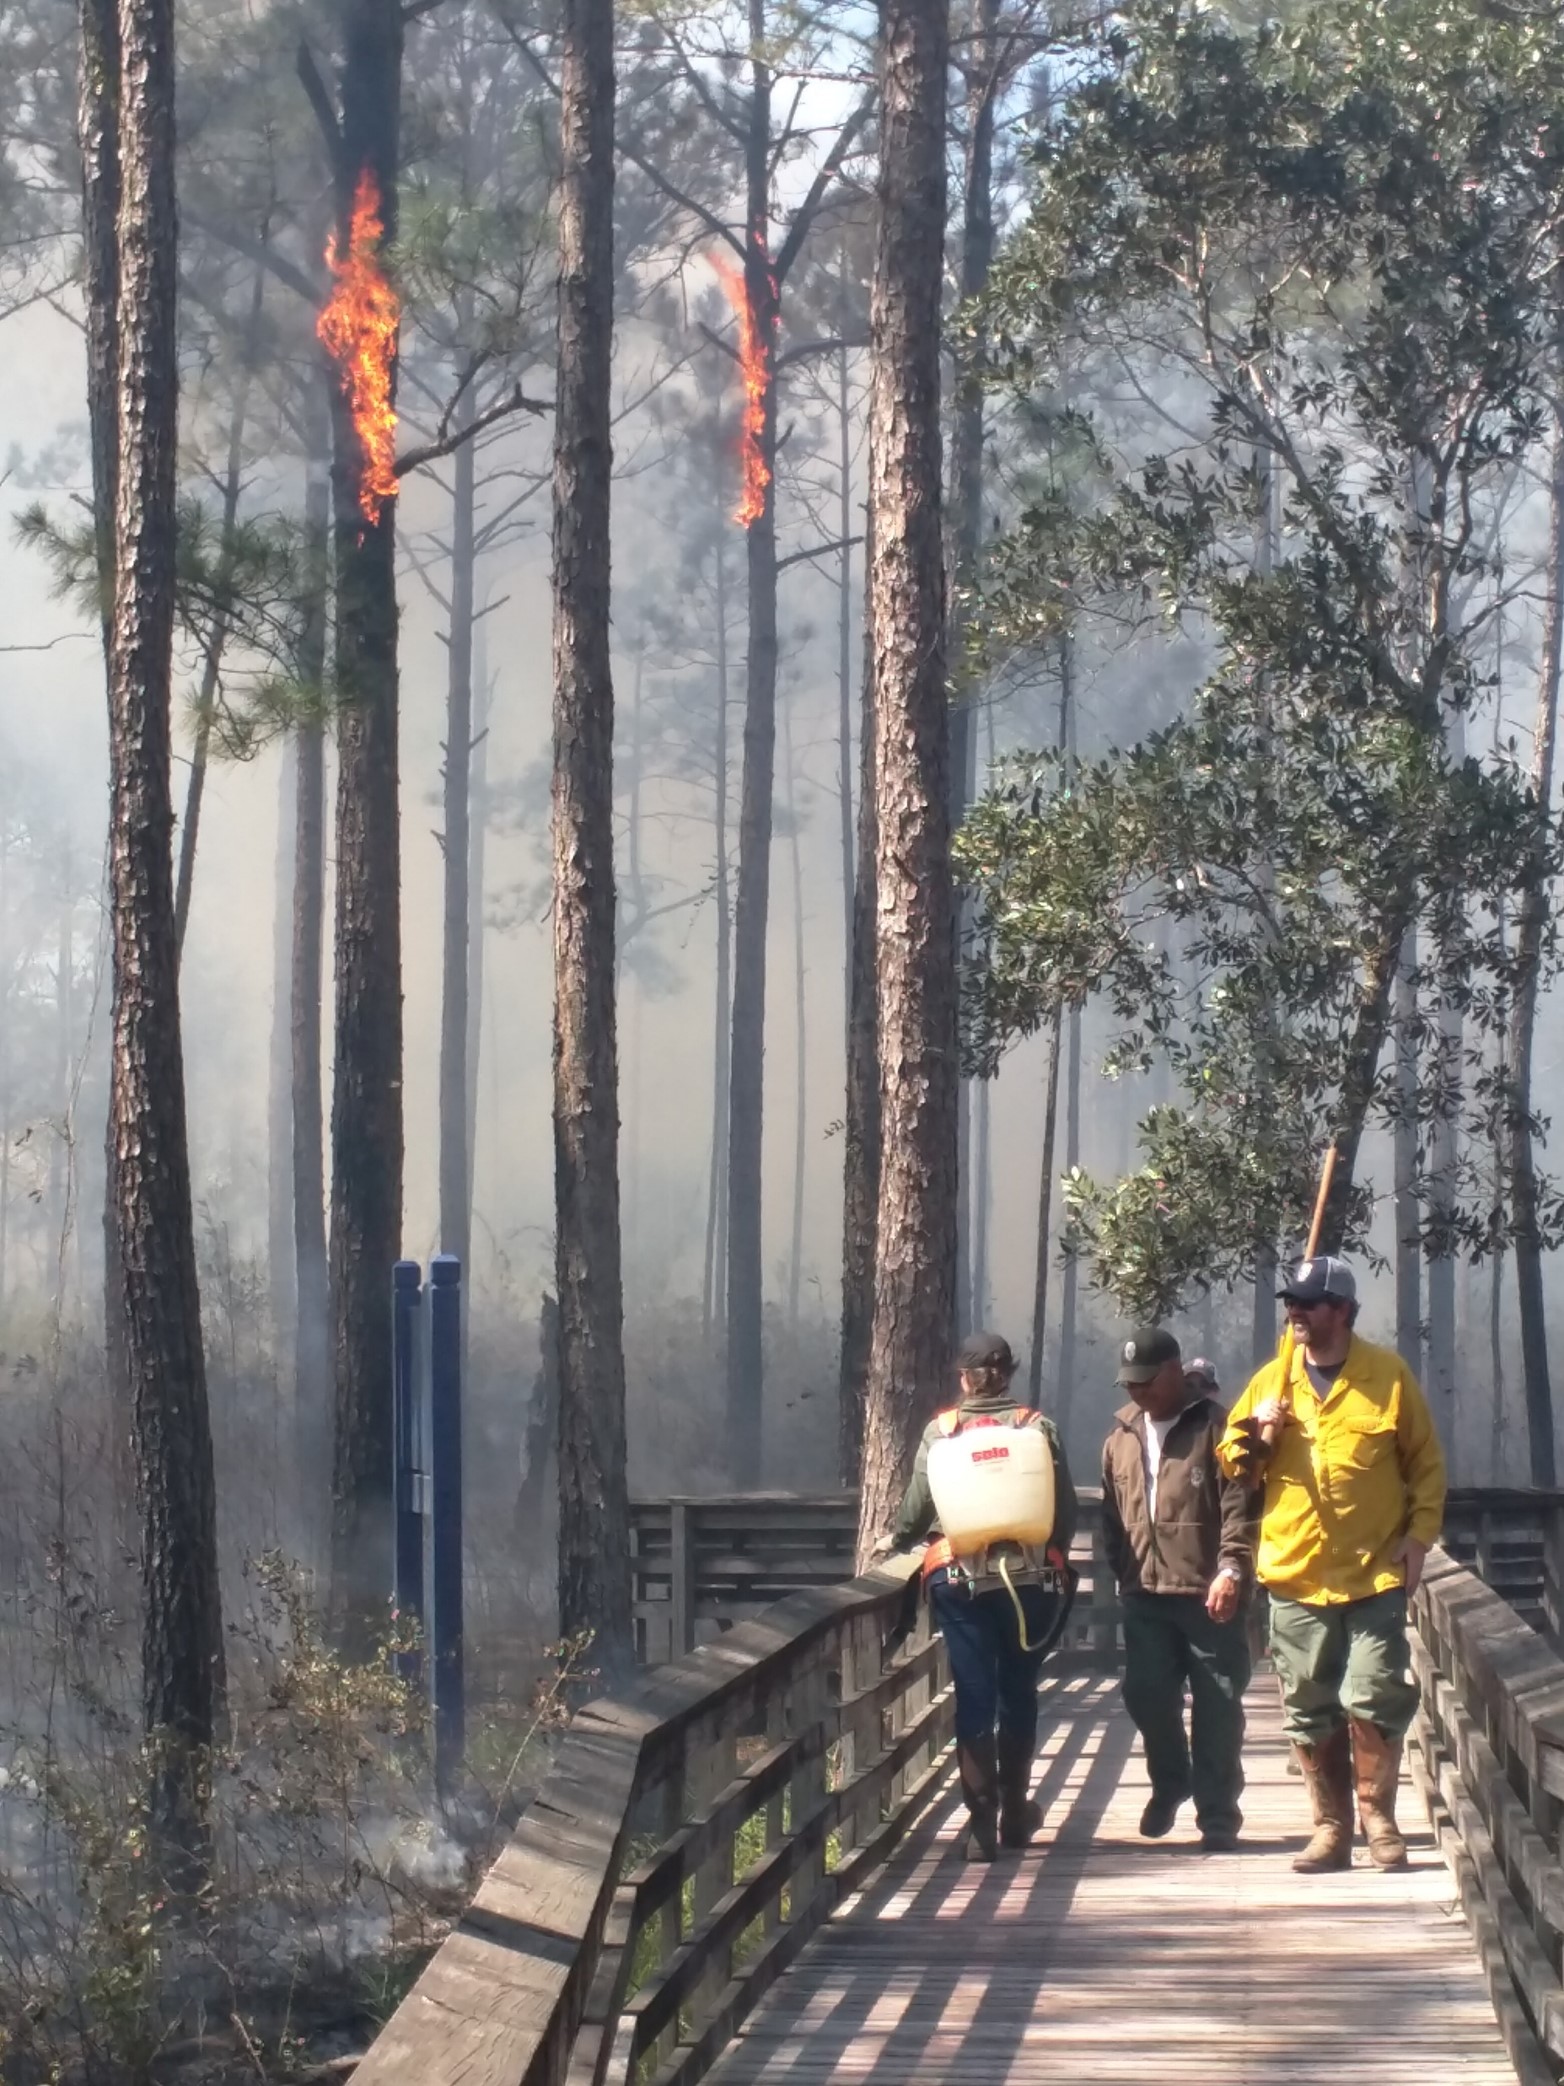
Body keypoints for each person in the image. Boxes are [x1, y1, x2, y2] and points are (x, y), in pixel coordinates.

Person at [1221, 1255, 1447, 1872]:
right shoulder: (1273, 1380)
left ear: (1342, 1311)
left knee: (1374, 1694)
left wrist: (1420, 1538)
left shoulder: (1388, 1376)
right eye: (1290, 1302)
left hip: (1373, 1572)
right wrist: (1256, 1435)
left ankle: (1379, 1820)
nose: (1295, 1311)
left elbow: (1425, 1465)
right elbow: (1234, 1466)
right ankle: (1330, 1828)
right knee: (1308, 1703)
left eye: (1308, 1303)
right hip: (1296, 1572)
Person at [886, 1331, 1079, 1861]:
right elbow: (1063, 1512)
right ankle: (1016, 1811)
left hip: (960, 1583)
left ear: (966, 1379)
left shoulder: (941, 1432)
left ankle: (980, 1829)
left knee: (975, 1696)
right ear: (1008, 1374)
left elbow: (918, 1509)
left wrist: (899, 1540)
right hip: (1029, 1583)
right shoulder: (1039, 1428)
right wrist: (1052, 1557)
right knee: (1019, 1692)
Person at [1101, 1328, 1257, 1853]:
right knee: (1144, 1693)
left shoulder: (1217, 1428)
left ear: (1174, 1372)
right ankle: (1171, 1781)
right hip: (1144, 1591)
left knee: (1218, 1703)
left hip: (1208, 1591)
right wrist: (1122, 1569)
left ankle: (1217, 1813)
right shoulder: (1119, 1438)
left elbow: (1239, 1505)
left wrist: (1232, 1568)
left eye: (1146, 1382)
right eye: (1129, 1384)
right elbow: (1110, 1516)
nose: (1136, 1393)